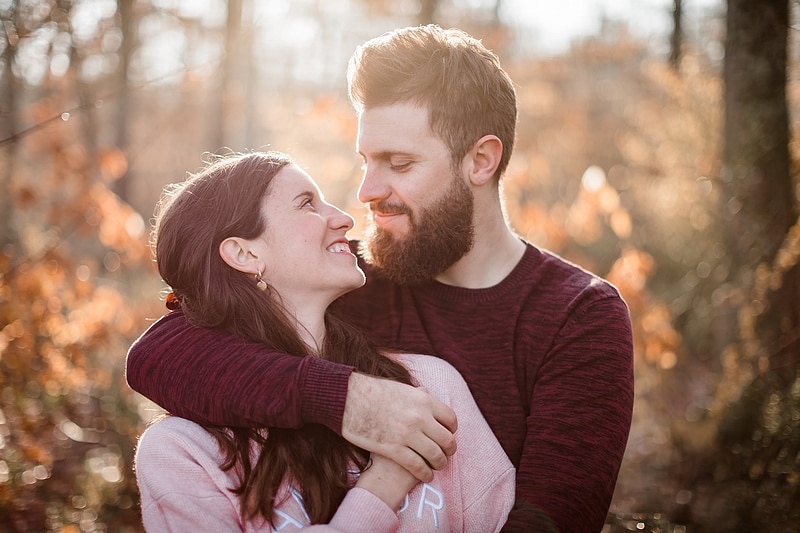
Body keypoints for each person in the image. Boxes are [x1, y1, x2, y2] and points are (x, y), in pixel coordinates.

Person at [127, 25, 634, 532]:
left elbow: (551, 522)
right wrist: (344, 398)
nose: (366, 191)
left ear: (481, 161)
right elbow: (157, 357)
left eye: (399, 163)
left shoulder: (579, 315)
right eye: (366, 161)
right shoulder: (348, 281)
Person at [133, 151, 515, 532]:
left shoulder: (429, 388)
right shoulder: (183, 453)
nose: (346, 219)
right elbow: (147, 356)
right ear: (244, 252)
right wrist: (381, 490)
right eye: (306, 204)